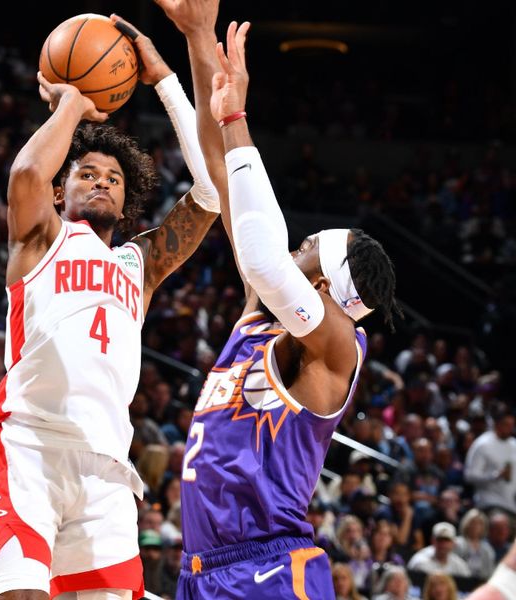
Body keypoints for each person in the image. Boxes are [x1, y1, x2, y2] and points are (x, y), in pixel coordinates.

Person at [0, 10, 221, 600]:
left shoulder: (140, 264)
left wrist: (162, 79)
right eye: (88, 173)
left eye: (114, 177)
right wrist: (73, 106)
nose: (104, 182)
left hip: (107, 469)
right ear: (63, 190)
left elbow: (212, 188)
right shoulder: (41, 237)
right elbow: (29, 170)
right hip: (30, 447)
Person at [159, 4, 399, 599]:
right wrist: (197, 40)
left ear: (323, 287)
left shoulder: (340, 347)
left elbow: (266, 257)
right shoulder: (261, 317)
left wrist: (238, 114)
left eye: (309, 247)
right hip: (203, 569)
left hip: (266, 569)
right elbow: (223, 172)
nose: (296, 246)